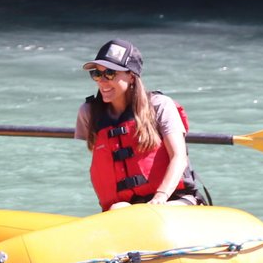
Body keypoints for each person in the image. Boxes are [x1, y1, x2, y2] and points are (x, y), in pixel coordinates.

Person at [74, 38, 204, 211]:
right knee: (118, 208)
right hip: (127, 207)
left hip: (174, 198)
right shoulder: (89, 112)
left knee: (155, 211)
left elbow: (179, 157)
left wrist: (160, 197)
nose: (101, 81)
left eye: (110, 73)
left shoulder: (160, 105)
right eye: (96, 74)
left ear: (131, 76)